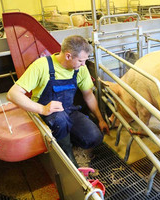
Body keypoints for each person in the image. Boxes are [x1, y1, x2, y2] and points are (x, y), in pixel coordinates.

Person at [7, 35, 109, 168]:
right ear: (68, 56)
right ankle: (67, 153)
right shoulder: (41, 66)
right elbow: (12, 94)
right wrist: (42, 109)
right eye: (80, 61)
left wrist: (100, 119)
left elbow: (88, 95)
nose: (84, 65)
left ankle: (65, 137)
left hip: (68, 110)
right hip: (45, 112)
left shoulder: (80, 69)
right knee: (60, 121)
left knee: (94, 137)